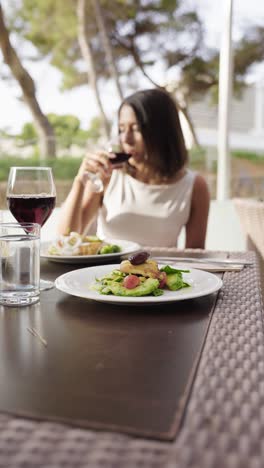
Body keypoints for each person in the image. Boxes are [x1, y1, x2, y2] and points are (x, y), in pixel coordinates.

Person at [57, 88, 210, 248]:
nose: (126, 139)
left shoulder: (194, 186)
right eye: (122, 129)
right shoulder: (108, 175)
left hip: (161, 272)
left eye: (136, 129)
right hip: (108, 272)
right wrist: (80, 181)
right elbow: (64, 241)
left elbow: (196, 257)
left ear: (163, 131)